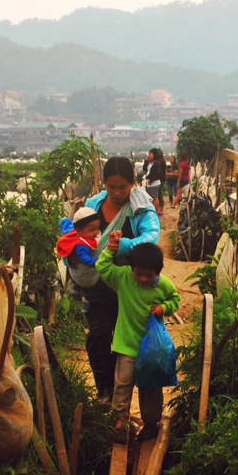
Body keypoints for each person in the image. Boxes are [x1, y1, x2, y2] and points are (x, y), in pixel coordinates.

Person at [78, 157, 160, 402]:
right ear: (103, 183)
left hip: (130, 285)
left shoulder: (141, 207)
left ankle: (120, 398)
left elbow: (151, 236)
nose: (116, 192)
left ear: (133, 183)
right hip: (98, 283)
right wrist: (69, 256)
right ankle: (105, 391)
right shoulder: (93, 204)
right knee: (98, 336)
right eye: (110, 186)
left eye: (122, 187)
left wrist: (125, 245)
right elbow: (76, 234)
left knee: (125, 342)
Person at [95, 236, 180, 443]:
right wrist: (112, 248)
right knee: (122, 385)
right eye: (139, 273)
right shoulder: (123, 277)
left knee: (150, 387)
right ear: (131, 268)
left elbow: (175, 299)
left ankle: (151, 424)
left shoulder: (163, 285)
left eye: (148, 275)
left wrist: (164, 308)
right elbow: (102, 266)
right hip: (127, 346)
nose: (142, 279)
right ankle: (120, 421)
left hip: (152, 350)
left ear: (158, 272)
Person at [56, 207, 102, 300]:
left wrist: (64, 221)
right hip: (81, 274)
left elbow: (66, 225)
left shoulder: (75, 231)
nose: (96, 232)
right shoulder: (82, 245)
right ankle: (87, 298)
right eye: (92, 230)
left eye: (98, 228)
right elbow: (84, 258)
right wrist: (96, 261)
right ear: (79, 231)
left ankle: (75, 285)